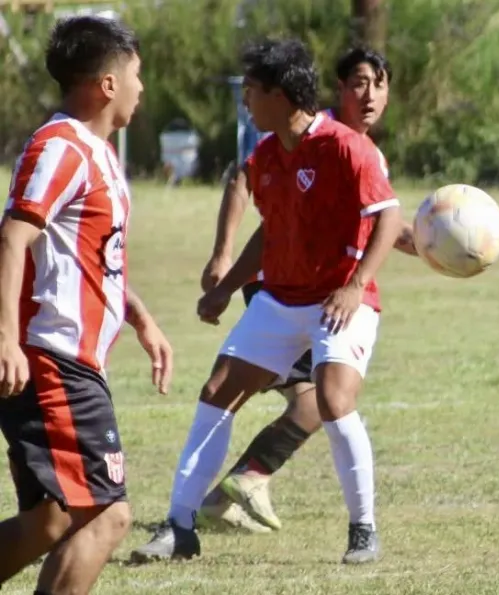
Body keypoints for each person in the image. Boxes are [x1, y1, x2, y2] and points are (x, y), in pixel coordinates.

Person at [130, 37, 402, 566]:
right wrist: (227, 286)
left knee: (331, 399)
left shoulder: (347, 146)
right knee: (217, 390)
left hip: (340, 298)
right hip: (279, 299)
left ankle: (363, 529)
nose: (246, 102)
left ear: (280, 94)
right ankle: (180, 526)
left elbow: (388, 218)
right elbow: (271, 231)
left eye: (252, 91)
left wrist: (355, 284)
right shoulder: (270, 153)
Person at [196, 46, 415, 535]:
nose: (371, 94)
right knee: (322, 397)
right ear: (338, 89)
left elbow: (381, 223)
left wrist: (437, 245)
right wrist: (223, 253)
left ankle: (229, 491)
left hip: (306, 291)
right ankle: (235, 486)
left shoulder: (359, 148)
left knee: (317, 397)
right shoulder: (308, 131)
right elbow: (242, 178)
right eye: (359, 82)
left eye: (380, 84)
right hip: (280, 290)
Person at [0, 15, 173, 594]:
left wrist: (141, 318)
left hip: (68, 361)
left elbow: (88, 261)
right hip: (52, 360)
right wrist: (5, 337)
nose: (141, 87)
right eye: (136, 75)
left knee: (51, 519)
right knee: (107, 512)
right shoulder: (62, 147)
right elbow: (12, 238)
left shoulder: (97, 154)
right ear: (106, 84)